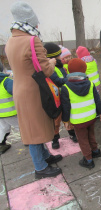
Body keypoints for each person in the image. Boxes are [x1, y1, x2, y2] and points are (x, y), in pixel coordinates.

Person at [5, 1, 62, 179]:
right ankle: (40, 167)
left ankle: (45, 157)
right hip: (33, 91)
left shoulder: (10, 41)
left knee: (33, 126)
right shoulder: (32, 40)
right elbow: (46, 69)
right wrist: (52, 62)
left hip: (20, 89)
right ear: (30, 21)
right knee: (35, 130)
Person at [61, 58, 101, 169]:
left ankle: (88, 159)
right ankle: (95, 151)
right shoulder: (90, 83)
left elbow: (65, 107)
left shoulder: (66, 88)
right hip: (91, 117)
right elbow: (97, 99)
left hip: (78, 121)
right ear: (84, 70)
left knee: (82, 139)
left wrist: (65, 120)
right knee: (91, 135)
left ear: (69, 71)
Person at [44, 43, 77, 149]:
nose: (60, 58)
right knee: (56, 120)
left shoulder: (60, 66)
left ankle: (72, 133)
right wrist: (70, 78)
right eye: (59, 56)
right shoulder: (51, 68)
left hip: (64, 96)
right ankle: (55, 138)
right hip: (55, 99)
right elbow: (57, 81)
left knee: (68, 115)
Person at [0, 61, 18, 155]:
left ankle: (1, 144)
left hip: (1, 114)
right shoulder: (6, 81)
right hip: (10, 112)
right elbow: (15, 92)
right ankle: (28, 141)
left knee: (3, 128)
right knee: (21, 127)